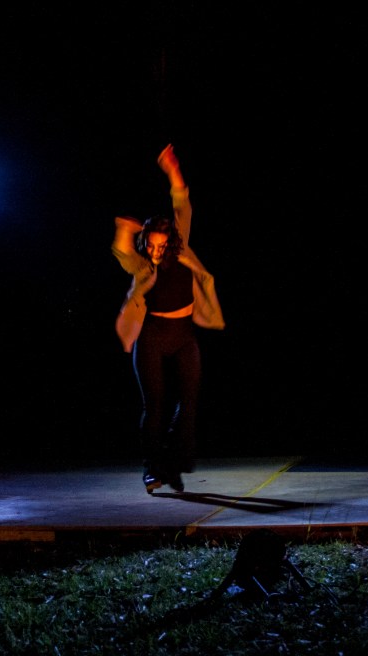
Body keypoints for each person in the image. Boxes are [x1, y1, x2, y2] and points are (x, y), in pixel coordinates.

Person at [112, 144, 225, 494]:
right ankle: (152, 468)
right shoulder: (142, 264)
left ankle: (173, 463)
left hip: (184, 334)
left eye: (162, 246)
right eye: (151, 246)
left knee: (188, 403)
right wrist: (124, 230)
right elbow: (122, 252)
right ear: (146, 242)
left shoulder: (182, 248)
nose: (156, 251)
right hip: (152, 335)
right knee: (155, 405)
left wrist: (173, 169)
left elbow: (182, 204)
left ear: (171, 241)